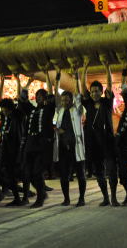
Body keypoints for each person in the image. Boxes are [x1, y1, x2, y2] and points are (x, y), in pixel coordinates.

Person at [80, 60, 119, 207]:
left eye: (97, 91)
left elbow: (109, 84)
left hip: (107, 142)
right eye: (93, 91)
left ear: (101, 92)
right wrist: (85, 68)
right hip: (93, 143)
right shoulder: (88, 103)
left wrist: (107, 67)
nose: (95, 93)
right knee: (99, 173)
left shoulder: (107, 103)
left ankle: (114, 197)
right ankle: (106, 198)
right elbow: (82, 87)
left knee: (112, 171)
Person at [19, 74, 56, 209]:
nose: (39, 97)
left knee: (36, 172)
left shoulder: (48, 110)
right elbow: (23, 99)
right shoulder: (32, 110)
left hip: (42, 145)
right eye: (38, 96)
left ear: (45, 98)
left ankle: (40, 196)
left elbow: (53, 98)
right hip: (30, 144)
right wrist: (28, 83)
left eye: (42, 96)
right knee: (27, 172)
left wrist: (50, 78)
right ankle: (41, 194)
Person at [53, 71, 87, 207]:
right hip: (63, 148)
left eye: (66, 99)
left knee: (80, 174)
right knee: (64, 175)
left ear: (71, 100)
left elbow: (78, 94)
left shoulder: (77, 110)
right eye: (62, 100)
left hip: (76, 146)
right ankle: (66, 199)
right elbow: (55, 93)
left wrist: (77, 77)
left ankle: (82, 198)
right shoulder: (59, 111)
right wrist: (57, 78)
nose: (64, 102)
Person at [0, 96, 25, 207]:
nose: (3, 111)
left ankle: (22, 197)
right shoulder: (6, 119)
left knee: (16, 175)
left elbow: (17, 136)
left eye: (4, 109)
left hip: (14, 152)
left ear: (9, 109)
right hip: (6, 152)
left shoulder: (15, 118)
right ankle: (19, 197)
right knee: (9, 175)